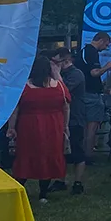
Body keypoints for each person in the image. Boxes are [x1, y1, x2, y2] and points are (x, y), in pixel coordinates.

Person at [8, 54, 70, 204]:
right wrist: (65, 127)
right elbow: (66, 106)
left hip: (29, 126)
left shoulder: (24, 87)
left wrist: (11, 128)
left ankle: (18, 188)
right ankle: (43, 194)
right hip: (53, 126)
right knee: (48, 157)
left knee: (26, 156)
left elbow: (15, 110)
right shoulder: (59, 87)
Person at [51, 48, 87, 195]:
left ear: (66, 61)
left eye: (56, 62)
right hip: (60, 118)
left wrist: (56, 73)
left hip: (75, 118)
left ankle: (78, 183)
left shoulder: (76, 75)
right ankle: (60, 180)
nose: (53, 65)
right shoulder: (59, 74)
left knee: (76, 150)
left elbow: (62, 91)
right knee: (60, 151)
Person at [80, 31, 111, 162]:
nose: (106, 47)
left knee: (84, 127)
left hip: (83, 93)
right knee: (92, 126)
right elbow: (94, 73)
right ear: (101, 40)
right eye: (106, 44)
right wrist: (107, 67)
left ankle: (82, 154)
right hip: (92, 95)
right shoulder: (92, 52)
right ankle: (88, 155)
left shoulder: (83, 51)